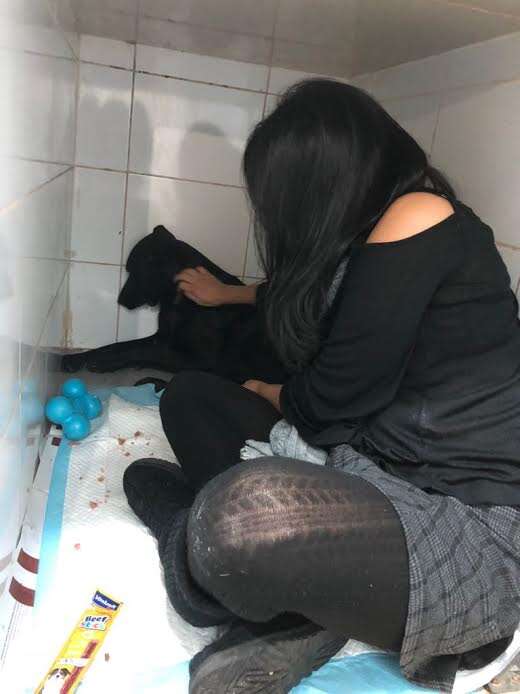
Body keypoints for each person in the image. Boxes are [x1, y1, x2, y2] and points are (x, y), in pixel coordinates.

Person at [123, 79, 520, 694]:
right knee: (191, 396)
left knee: (236, 523)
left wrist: (274, 394)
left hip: (461, 514)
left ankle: (192, 540)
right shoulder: (362, 240)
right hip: (367, 464)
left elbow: (328, 406)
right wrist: (257, 358)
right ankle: (307, 606)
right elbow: (309, 329)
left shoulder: (417, 214)